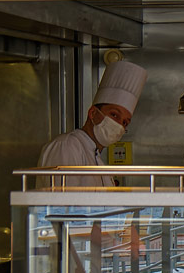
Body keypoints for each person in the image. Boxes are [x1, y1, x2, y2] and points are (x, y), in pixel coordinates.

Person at [37, 60, 147, 188]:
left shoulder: (97, 159)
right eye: (114, 115)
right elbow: (63, 199)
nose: (119, 125)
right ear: (93, 113)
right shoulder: (67, 146)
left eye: (125, 122)